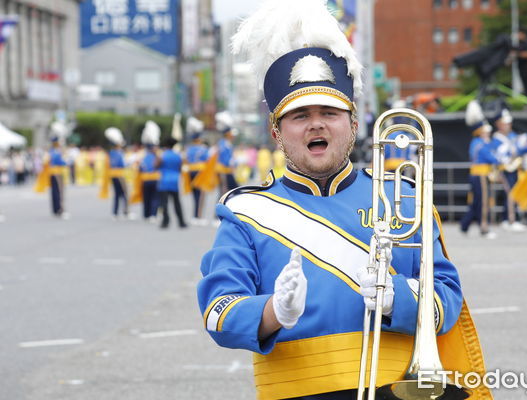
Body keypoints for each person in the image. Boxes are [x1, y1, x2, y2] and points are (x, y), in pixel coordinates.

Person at [197, 1, 491, 399]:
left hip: (399, 388)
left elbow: (446, 297)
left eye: (330, 113)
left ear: (353, 125)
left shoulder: (400, 194)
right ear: (277, 133)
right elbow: (218, 313)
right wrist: (273, 312)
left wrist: (396, 297)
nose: (316, 123)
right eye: (300, 116)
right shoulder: (245, 212)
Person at [488, 108, 527, 231]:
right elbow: (504, 155)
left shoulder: (513, 136)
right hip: (505, 170)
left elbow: (519, 149)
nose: (508, 125)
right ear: (498, 124)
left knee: (514, 193)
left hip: (515, 168)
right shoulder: (496, 139)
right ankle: (511, 219)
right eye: (505, 123)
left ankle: (507, 219)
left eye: (509, 123)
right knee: (511, 194)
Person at [460, 100, 499, 239]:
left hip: (477, 174)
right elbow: (490, 157)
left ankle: (465, 225)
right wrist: (500, 160)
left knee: (476, 202)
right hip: (481, 175)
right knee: (483, 202)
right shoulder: (480, 143)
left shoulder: (477, 142)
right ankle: (484, 228)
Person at [103, 127, 133, 220]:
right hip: (119, 174)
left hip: (113, 174)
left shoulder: (111, 152)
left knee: (117, 194)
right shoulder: (119, 153)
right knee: (125, 193)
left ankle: (115, 213)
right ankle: (126, 211)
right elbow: (122, 164)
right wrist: (130, 162)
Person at [157, 137, 187, 229]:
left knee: (164, 203)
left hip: (164, 181)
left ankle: (165, 221)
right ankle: (181, 221)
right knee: (177, 202)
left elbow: (156, 165)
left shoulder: (162, 155)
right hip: (174, 181)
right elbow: (180, 168)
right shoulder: (177, 156)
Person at [185, 116, 209, 225]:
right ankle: (198, 216)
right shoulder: (203, 148)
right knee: (201, 195)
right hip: (201, 172)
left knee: (194, 194)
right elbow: (207, 159)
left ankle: (195, 215)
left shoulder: (189, 148)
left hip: (191, 171)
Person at [139, 121, 161, 222]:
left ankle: (146, 214)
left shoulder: (143, 155)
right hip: (154, 178)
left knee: (146, 197)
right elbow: (158, 165)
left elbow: (140, 167)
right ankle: (152, 214)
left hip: (145, 179)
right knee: (154, 197)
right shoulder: (156, 155)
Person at [215, 111, 238, 195]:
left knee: (226, 192)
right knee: (226, 192)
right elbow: (226, 160)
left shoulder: (224, 143)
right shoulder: (224, 144)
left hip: (226, 171)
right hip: (224, 171)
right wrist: (233, 163)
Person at [515, 29, 527, 98]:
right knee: (525, 87)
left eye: (520, 34)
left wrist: (518, 54)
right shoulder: (518, 45)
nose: (518, 36)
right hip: (521, 69)